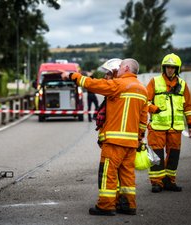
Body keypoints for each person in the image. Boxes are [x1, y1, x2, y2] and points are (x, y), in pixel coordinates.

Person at [61, 58, 148, 216]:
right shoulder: (143, 90)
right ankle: (129, 205)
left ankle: (106, 205)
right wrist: (139, 138)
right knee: (127, 174)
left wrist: (73, 76)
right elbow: (143, 120)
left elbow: (94, 84)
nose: (118, 69)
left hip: (115, 141)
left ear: (126, 68)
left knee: (108, 173)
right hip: (131, 143)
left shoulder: (118, 85)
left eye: (120, 67)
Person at [146, 53, 191, 193]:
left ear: (177, 69)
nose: (170, 70)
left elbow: (188, 107)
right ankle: (156, 182)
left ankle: (169, 181)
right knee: (156, 155)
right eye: (168, 67)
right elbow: (145, 101)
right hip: (157, 127)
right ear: (163, 67)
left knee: (173, 155)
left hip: (176, 128)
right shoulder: (154, 82)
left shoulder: (183, 85)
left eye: (173, 67)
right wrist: (154, 108)